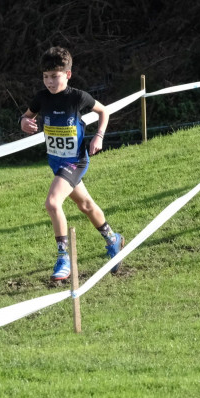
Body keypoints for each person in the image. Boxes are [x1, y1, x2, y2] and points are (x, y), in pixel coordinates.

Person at [19, 46, 124, 281]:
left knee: (52, 203)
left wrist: (99, 136)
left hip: (75, 161)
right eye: (46, 77)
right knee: (85, 205)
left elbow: (103, 111)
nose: (49, 82)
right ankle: (113, 239)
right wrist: (24, 123)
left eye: (54, 76)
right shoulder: (41, 98)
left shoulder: (77, 97)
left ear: (67, 75)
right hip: (56, 163)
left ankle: (63, 257)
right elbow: (26, 116)